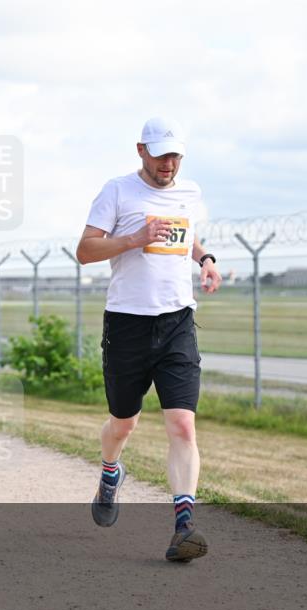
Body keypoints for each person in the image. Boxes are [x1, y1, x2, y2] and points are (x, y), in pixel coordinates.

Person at [75, 116, 222, 562]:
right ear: (141, 150)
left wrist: (206, 260)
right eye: (160, 156)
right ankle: (110, 471)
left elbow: (187, 236)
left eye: (175, 156)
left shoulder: (190, 193)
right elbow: (85, 250)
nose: (168, 164)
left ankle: (184, 526)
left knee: (182, 425)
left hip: (177, 321)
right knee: (123, 423)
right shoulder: (117, 191)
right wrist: (134, 238)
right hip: (127, 324)